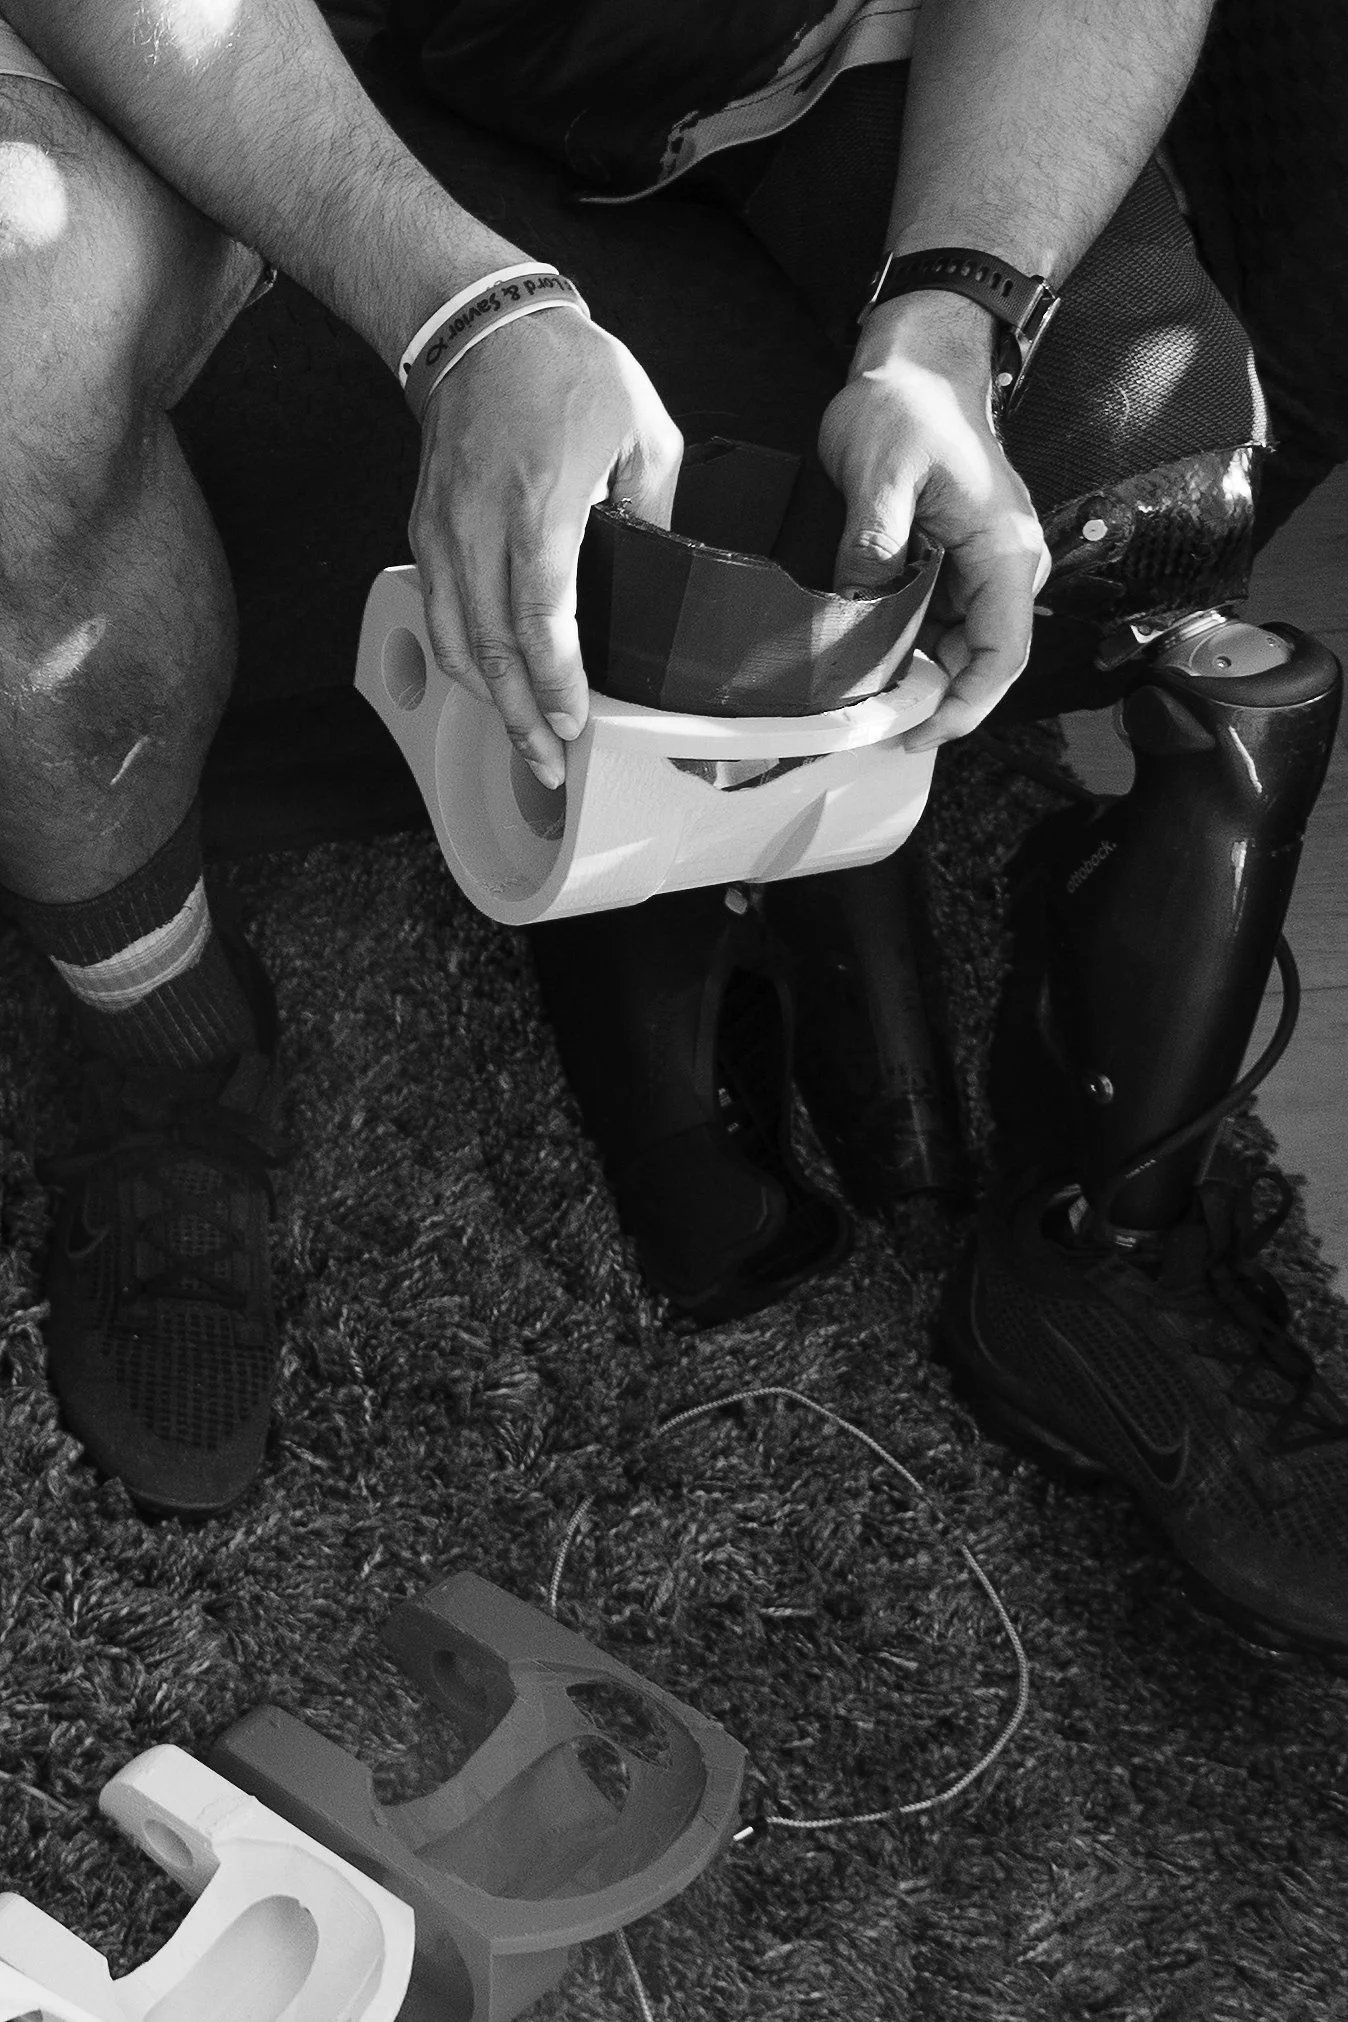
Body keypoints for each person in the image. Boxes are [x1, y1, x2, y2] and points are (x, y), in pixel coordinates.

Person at [2, 0, 1345, 1664]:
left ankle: (1094, 1230)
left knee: (1150, 465)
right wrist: (467, 311)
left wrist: (956, 312)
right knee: (15, 328)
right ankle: (175, 1056)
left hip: (756, 45)